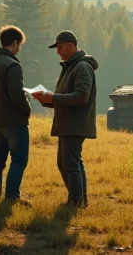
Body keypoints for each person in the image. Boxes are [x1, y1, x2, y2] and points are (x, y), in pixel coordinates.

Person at [32, 30, 99, 209]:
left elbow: (81, 96)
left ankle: (76, 203)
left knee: (69, 164)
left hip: (75, 124)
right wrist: (46, 100)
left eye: (60, 47)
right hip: (69, 123)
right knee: (69, 163)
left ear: (71, 45)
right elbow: (65, 97)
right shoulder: (71, 67)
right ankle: (79, 200)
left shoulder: (82, 68)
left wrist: (52, 98)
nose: (58, 51)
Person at [0, 25, 33, 204]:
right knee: (18, 160)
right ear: (14, 43)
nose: (19, 49)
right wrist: (27, 109)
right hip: (14, 122)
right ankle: (11, 198)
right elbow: (17, 96)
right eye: (19, 45)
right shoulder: (13, 66)